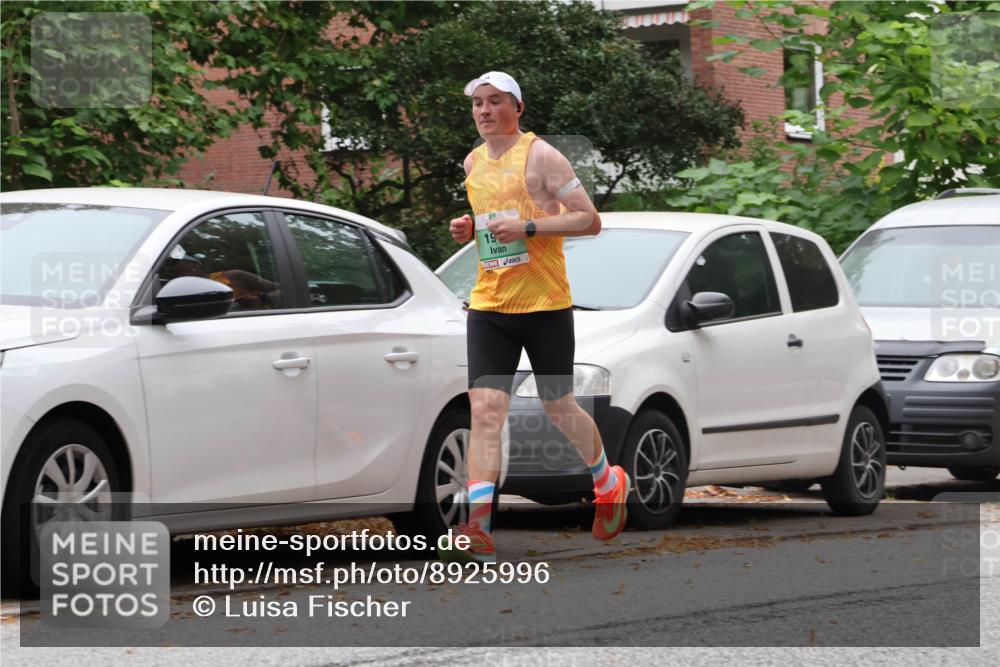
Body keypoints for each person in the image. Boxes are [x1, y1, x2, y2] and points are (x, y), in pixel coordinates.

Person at [437, 71, 630, 564]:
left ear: (517, 108)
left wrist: (528, 225)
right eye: (477, 103)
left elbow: (589, 219)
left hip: (544, 304)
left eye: (494, 101)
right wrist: (467, 228)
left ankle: (608, 482)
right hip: (489, 305)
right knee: (484, 412)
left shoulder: (541, 155)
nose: (483, 111)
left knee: (558, 405)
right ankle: (477, 525)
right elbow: (489, 226)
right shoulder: (473, 162)